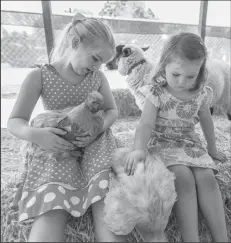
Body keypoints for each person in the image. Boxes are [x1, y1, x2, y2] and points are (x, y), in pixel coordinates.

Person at [7, 13, 126, 242]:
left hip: (94, 144)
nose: (97, 66)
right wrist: (37, 135)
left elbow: (112, 111)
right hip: (59, 145)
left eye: (102, 62)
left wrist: (99, 129)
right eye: (94, 58)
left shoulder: (98, 77)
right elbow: (15, 121)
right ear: (74, 44)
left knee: (107, 196)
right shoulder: (40, 76)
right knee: (53, 197)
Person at [124, 32, 228, 242]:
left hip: (189, 143)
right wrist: (138, 149)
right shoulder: (156, 92)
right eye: (176, 74)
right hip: (163, 143)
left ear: (200, 72)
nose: (182, 81)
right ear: (164, 67)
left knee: (207, 178)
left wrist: (213, 149)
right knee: (183, 177)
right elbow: (145, 124)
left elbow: (207, 122)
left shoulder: (200, 92)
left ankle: (222, 238)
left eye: (191, 76)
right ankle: (192, 238)